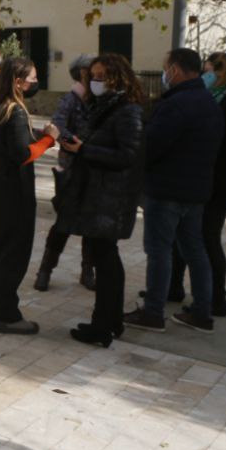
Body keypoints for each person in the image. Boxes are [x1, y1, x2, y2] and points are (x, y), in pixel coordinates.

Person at [124, 48, 224, 333]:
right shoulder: (209, 102)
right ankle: (202, 312)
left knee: (159, 251)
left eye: (166, 68)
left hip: (167, 189)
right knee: (195, 250)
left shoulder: (176, 105)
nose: (165, 74)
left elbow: (152, 147)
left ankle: (153, 312)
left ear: (176, 70)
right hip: (196, 190)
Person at [52, 54, 144, 347]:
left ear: (119, 77)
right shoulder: (103, 106)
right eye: (93, 75)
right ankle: (111, 322)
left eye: (103, 76)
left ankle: (102, 327)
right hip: (97, 195)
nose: (96, 81)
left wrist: (84, 150)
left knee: (105, 260)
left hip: (110, 198)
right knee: (104, 258)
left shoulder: (127, 110)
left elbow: (128, 156)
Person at [0, 57, 59, 334]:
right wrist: (49, 139)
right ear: (18, 82)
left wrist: (35, 134)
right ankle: (8, 315)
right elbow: (22, 153)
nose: (36, 83)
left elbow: (12, 140)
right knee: (14, 251)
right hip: (13, 190)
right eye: (32, 79)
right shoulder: (16, 111)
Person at [167, 52, 226, 317]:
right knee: (182, 234)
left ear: (223, 73)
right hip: (209, 180)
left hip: (221, 184)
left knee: (206, 239)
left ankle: (216, 299)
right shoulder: (222, 99)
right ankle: (173, 286)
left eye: (209, 71)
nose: (205, 76)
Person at [33, 54, 96, 291]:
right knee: (64, 223)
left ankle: (87, 270)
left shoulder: (100, 99)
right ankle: (45, 270)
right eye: (92, 71)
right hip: (71, 170)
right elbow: (58, 126)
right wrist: (77, 143)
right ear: (82, 73)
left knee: (92, 224)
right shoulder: (71, 99)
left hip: (95, 169)